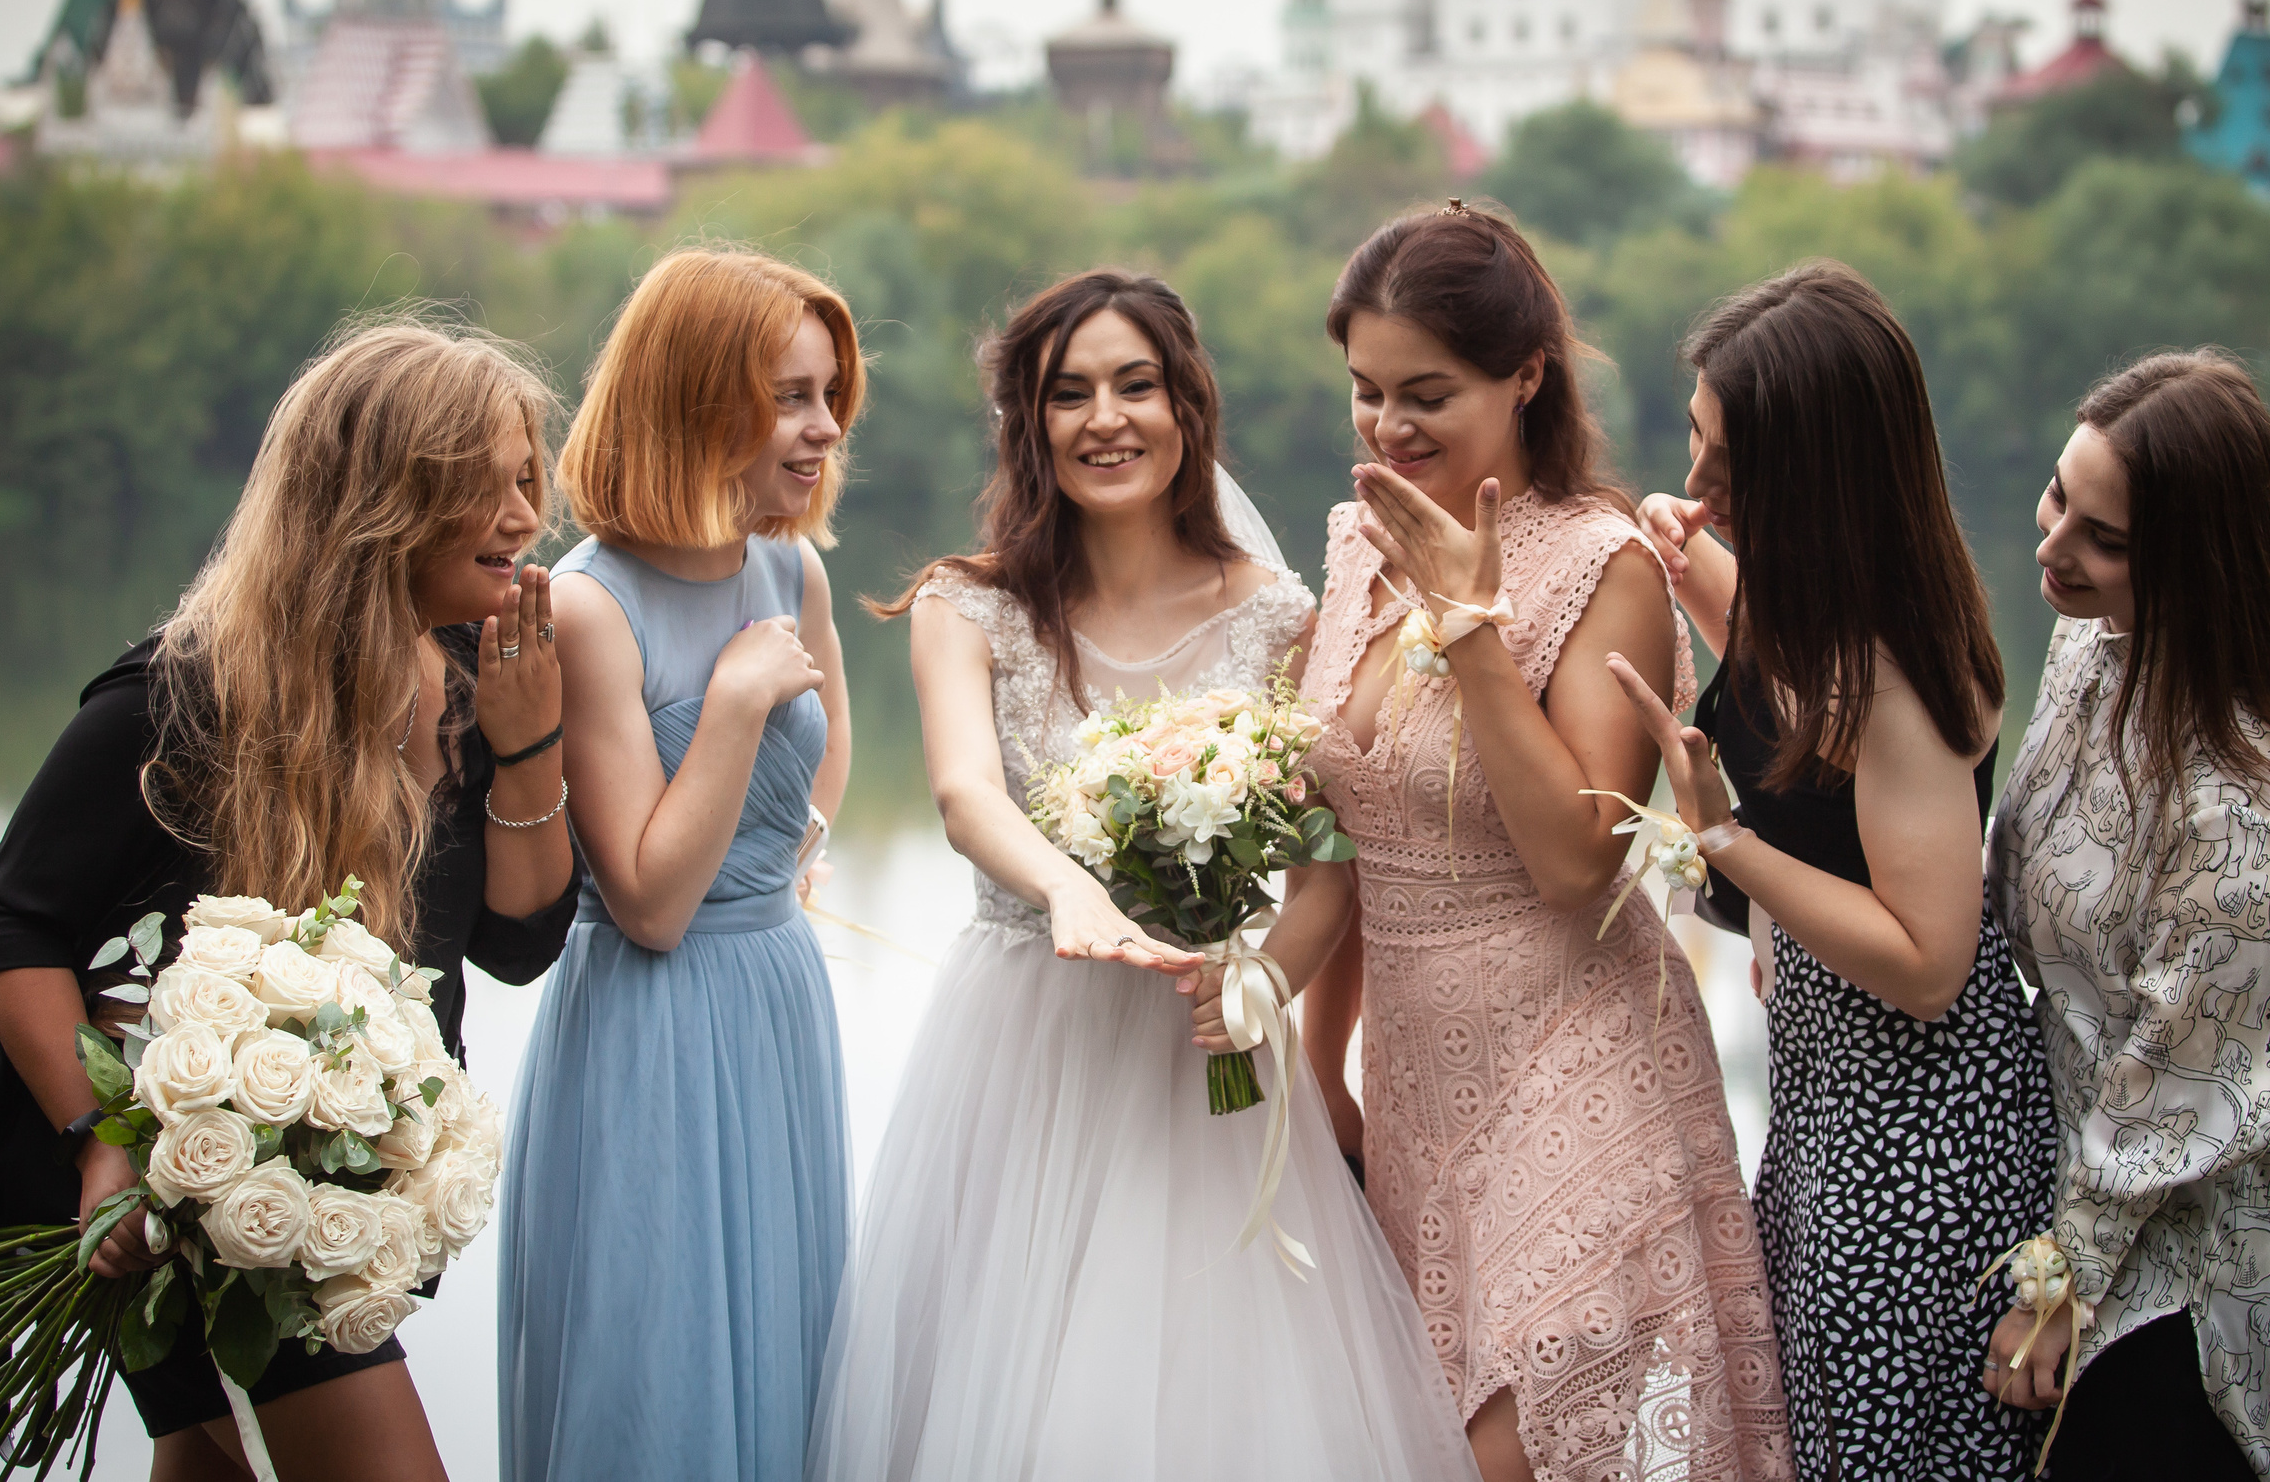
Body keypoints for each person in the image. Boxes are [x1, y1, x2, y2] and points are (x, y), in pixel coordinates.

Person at [808, 271, 1481, 1482]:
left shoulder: (1280, 617)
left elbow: (1330, 860)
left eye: (1135, 384)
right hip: (1028, 1040)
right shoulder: (970, 607)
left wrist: (1263, 982)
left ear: (1187, 408)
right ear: (1031, 422)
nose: (1104, 419)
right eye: (1069, 395)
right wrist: (1068, 888)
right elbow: (961, 793)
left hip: (1207, 1055)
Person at [0, 322, 579, 1482]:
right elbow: (16, 927)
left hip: (327, 1222)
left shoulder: (481, 672)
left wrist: (531, 740)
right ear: (385, 499)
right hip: (191, 1212)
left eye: (525, 482)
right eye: (486, 485)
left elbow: (520, 941)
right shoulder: (179, 697)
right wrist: (98, 1146)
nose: (523, 518)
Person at [1250, 203, 1789, 1482]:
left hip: (1579, 1051)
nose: (1389, 428)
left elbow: (1573, 859)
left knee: (1530, 1444)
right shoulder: (1350, 546)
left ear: (1525, 374)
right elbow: (1346, 849)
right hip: (1417, 1084)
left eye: (1427, 392)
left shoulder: (1606, 563)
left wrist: (1470, 625)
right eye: (1365, 393)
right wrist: (1321, 1071)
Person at [1610, 258, 2057, 1478]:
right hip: (1827, 1115)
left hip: (1913, 1149)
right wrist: (1672, 551)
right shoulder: (1819, 615)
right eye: (1693, 442)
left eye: (1721, 461)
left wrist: (1722, 843)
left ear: (1808, 474)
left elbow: (1926, 964)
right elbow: (1791, 714)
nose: (1697, 479)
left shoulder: (1900, 678)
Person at [1981, 350, 2270, 1482]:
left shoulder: (2244, 813)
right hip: (2104, 1181)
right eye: (2059, 495)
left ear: (2197, 565)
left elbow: (2185, 1093)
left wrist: (2060, 1284)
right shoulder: (2091, 649)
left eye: (2103, 539)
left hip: (2218, 1279)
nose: (2051, 545)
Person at [497, 248, 859, 1482]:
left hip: (776, 996)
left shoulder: (790, 566)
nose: (823, 429)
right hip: (655, 1024)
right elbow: (648, 902)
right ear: (700, 403)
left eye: (828, 395)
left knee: (786, 1344)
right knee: (660, 1368)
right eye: (792, 397)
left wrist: (779, 867)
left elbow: (822, 793)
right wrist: (733, 707)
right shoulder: (591, 605)